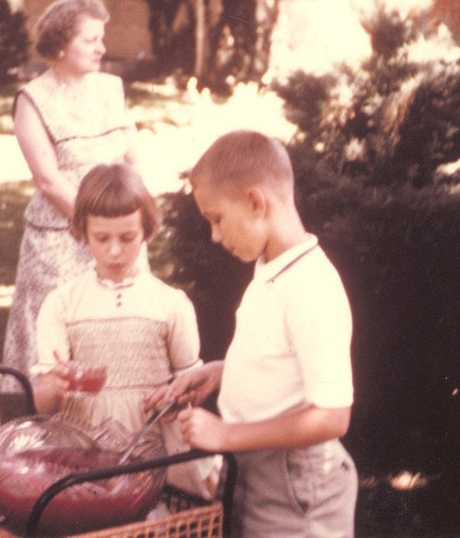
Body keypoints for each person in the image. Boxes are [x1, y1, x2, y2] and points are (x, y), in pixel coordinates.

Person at [146, 130, 357, 537]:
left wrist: (226, 434)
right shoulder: (273, 268)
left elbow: (332, 417)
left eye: (217, 219)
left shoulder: (311, 287)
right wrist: (222, 371)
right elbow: (279, 356)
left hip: (297, 484)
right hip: (258, 470)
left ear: (256, 202)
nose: (214, 236)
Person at [32, 163, 220, 499]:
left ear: (146, 231)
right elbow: (43, 402)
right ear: (82, 232)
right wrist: (56, 385)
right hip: (83, 455)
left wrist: (175, 396)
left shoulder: (170, 304)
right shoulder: (62, 304)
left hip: (151, 453)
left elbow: (190, 385)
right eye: (101, 238)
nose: (114, 250)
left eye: (127, 237)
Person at [0, 0, 139, 393]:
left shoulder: (112, 88)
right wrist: (97, 225)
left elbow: (132, 156)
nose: (102, 48)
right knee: (60, 340)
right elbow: (47, 179)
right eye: (90, 40)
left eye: (102, 38)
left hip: (119, 232)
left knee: (120, 332)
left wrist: (130, 221)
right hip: (61, 239)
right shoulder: (32, 100)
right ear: (61, 44)